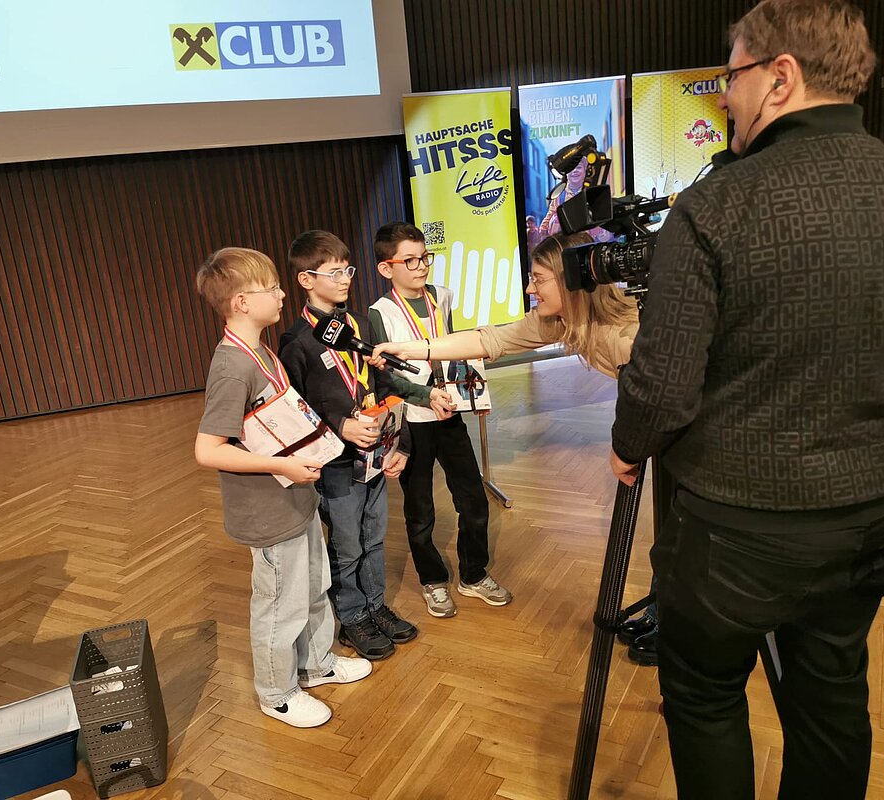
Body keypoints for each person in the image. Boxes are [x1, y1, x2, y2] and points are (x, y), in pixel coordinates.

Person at [609, 1, 884, 797]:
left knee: (705, 697)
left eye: (731, 75)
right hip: (875, 519)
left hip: (736, 532)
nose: (723, 95)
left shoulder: (714, 206)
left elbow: (661, 387)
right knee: (830, 694)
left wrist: (626, 445)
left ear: (779, 76)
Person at [372, 231, 661, 663]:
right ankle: (661, 612)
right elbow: (489, 340)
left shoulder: (627, 333)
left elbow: (655, 399)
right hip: (420, 418)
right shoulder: (559, 321)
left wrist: (625, 448)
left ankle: (672, 622)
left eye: (538, 279)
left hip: (698, 440)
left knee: (682, 534)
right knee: (670, 537)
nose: (529, 288)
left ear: (571, 278)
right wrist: (412, 349)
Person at [193, 247, 372, 729]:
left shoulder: (262, 351)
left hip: (296, 497)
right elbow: (208, 449)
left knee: (313, 586)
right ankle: (277, 693)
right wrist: (284, 465)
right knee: (279, 604)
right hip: (268, 509)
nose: (280, 295)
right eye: (270, 288)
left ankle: (316, 664)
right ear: (241, 302)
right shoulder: (232, 366)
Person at [279, 230, 418, 663]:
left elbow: (384, 385)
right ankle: (353, 617)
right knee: (347, 544)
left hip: (376, 452)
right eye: (334, 272)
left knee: (374, 537)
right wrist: (341, 426)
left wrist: (401, 443)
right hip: (336, 464)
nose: (345, 279)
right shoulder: (296, 342)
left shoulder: (358, 325)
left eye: (348, 270)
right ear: (306, 279)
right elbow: (297, 411)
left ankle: (375, 606)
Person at [368, 222, 513, 619]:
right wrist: (424, 396)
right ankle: (432, 580)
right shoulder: (380, 313)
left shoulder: (442, 296)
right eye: (410, 261)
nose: (421, 267)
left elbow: (452, 350)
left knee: (473, 497)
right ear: (386, 268)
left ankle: (473, 574)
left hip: (450, 413)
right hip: (413, 420)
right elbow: (386, 377)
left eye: (424, 258)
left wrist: (471, 392)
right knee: (420, 509)